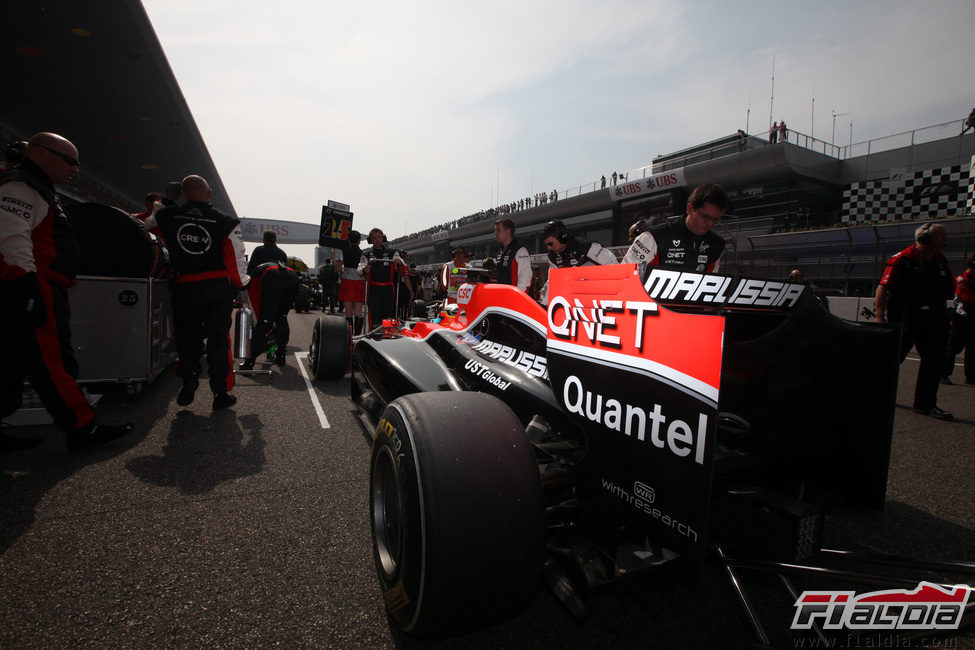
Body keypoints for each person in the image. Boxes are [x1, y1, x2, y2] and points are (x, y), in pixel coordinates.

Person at [0, 132, 133, 451]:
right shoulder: (21, 185)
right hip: (31, 283)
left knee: (11, 361)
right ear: (40, 153)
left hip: (33, 282)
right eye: (69, 161)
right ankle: (82, 427)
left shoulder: (39, 188)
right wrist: (26, 285)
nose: (74, 169)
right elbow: (11, 237)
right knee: (52, 360)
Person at [147, 175, 248, 409]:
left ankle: (189, 380)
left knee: (186, 336)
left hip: (185, 286)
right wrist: (242, 287)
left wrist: (165, 202)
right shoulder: (226, 221)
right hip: (216, 288)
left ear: (183, 193)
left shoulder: (167, 215)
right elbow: (235, 259)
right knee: (218, 340)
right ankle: (220, 394)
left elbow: (147, 227)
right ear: (209, 193)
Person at [874, 222, 954, 420]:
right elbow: (883, 288)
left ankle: (925, 404)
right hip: (905, 318)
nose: (945, 240)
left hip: (934, 318)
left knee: (933, 361)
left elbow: (949, 289)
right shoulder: (902, 259)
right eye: (941, 236)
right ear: (925, 238)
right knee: (892, 359)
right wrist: (879, 315)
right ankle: (875, 395)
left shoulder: (940, 260)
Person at [622, 183, 729, 277]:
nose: (710, 223)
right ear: (690, 209)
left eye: (715, 219)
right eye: (705, 217)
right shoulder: (653, 238)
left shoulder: (717, 245)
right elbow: (625, 276)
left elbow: (710, 282)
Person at [238, 262, 299, 370]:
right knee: (282, 317)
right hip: (292, 276)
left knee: (264, 322)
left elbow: (252, 302)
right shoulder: (275, 264)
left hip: (273, 278)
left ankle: (249, 362)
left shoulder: (253, 275)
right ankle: (281, 356)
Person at [358, 228, 406, 330]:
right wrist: (364, 269)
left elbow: (403, 263)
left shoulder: (392, 252)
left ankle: (387, 335)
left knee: (388, 315)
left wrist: (399, 261)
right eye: (374, 238)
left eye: (379, 237)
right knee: (374, 315)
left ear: (383, 238)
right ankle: (373, 335)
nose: (377, 240)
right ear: (371, 240)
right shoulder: (366, 253)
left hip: (388, 288)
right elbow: (359, 269)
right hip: (373, 289)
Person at [943, 252, 975, 385]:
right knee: (954, 347)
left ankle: (971, 377)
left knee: (973, 349)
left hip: (973, 319)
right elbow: (968, 299)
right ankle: (943, 374)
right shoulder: (961, 279)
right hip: (962, 318)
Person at [541, 220, 617, 268]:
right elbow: (553, 280)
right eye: (546, 244)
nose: (549, 248)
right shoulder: (552, 256)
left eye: (550, 244)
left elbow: (613, 265)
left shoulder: (587, 247)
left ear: (562, 237)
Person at [337, 231, 365, 334]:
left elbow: (338, 268)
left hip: (347, 280)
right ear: (359, 241)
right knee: (358, 311)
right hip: (359, 281)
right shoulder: (363, 254)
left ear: (348, 240)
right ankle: (357, 335)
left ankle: (348, 336)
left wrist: (334, 261)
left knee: (348, 311)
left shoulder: (343, 251)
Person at [494, 218, 532, 292]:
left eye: (498, 230)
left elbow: (525, 279)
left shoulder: (520, 250)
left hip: (514, 298)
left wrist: (516, 298)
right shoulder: (500, 252)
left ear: (508, 231)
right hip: (501, 297)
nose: (495, 233)